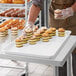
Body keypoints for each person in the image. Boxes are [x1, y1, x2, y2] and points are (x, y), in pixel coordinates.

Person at [21, 0, 76, 76]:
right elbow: (37, 4)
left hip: (75, 19)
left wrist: (71, 10)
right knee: (59, 55)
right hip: (57, 21)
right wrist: (30, 23)